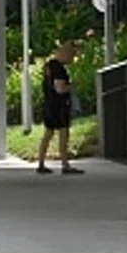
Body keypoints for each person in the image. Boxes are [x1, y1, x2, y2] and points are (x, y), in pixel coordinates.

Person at [36, 42, 83, 175]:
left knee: (48, 134)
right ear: (66, 54)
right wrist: (72, 86)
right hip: (59, 106)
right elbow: (60, 89)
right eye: (72, 56)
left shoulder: (49, 66)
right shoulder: (59, 69)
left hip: (49, 104)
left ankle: (41, 163)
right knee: (63, 134)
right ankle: (65, 164)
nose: (72, 59)